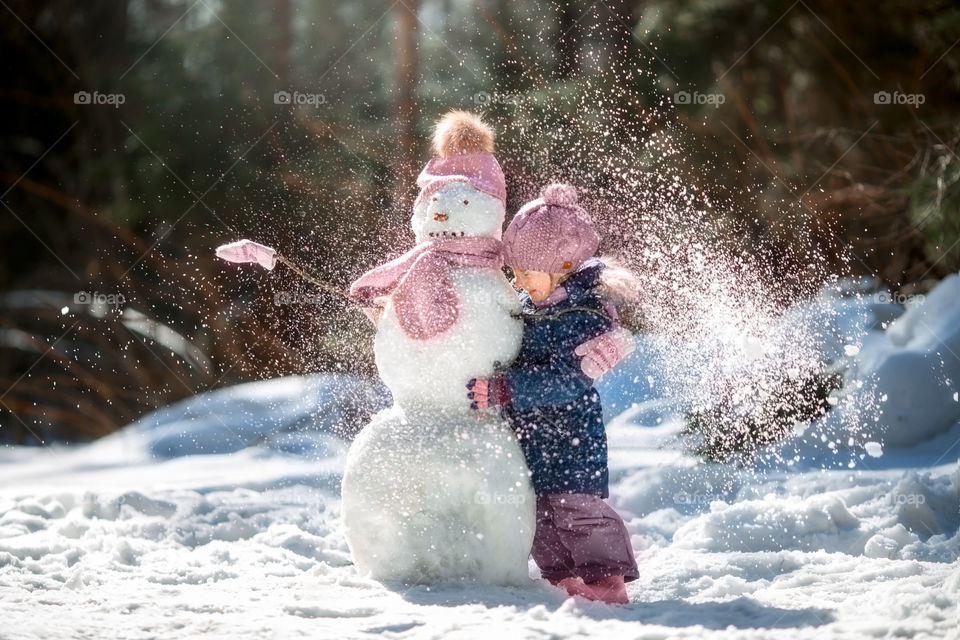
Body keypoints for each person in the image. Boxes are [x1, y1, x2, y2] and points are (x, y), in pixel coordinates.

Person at [466, 183, 640, 604]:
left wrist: (507, 389)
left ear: (563, 265)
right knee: (541, 516)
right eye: (516, 272)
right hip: (531, 438)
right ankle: (559, 576)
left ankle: (606, 578)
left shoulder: (583, 314)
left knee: (578, 510)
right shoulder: (529, 304)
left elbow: (568, 379)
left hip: (571, 437)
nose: (521, 281)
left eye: (530, 273)